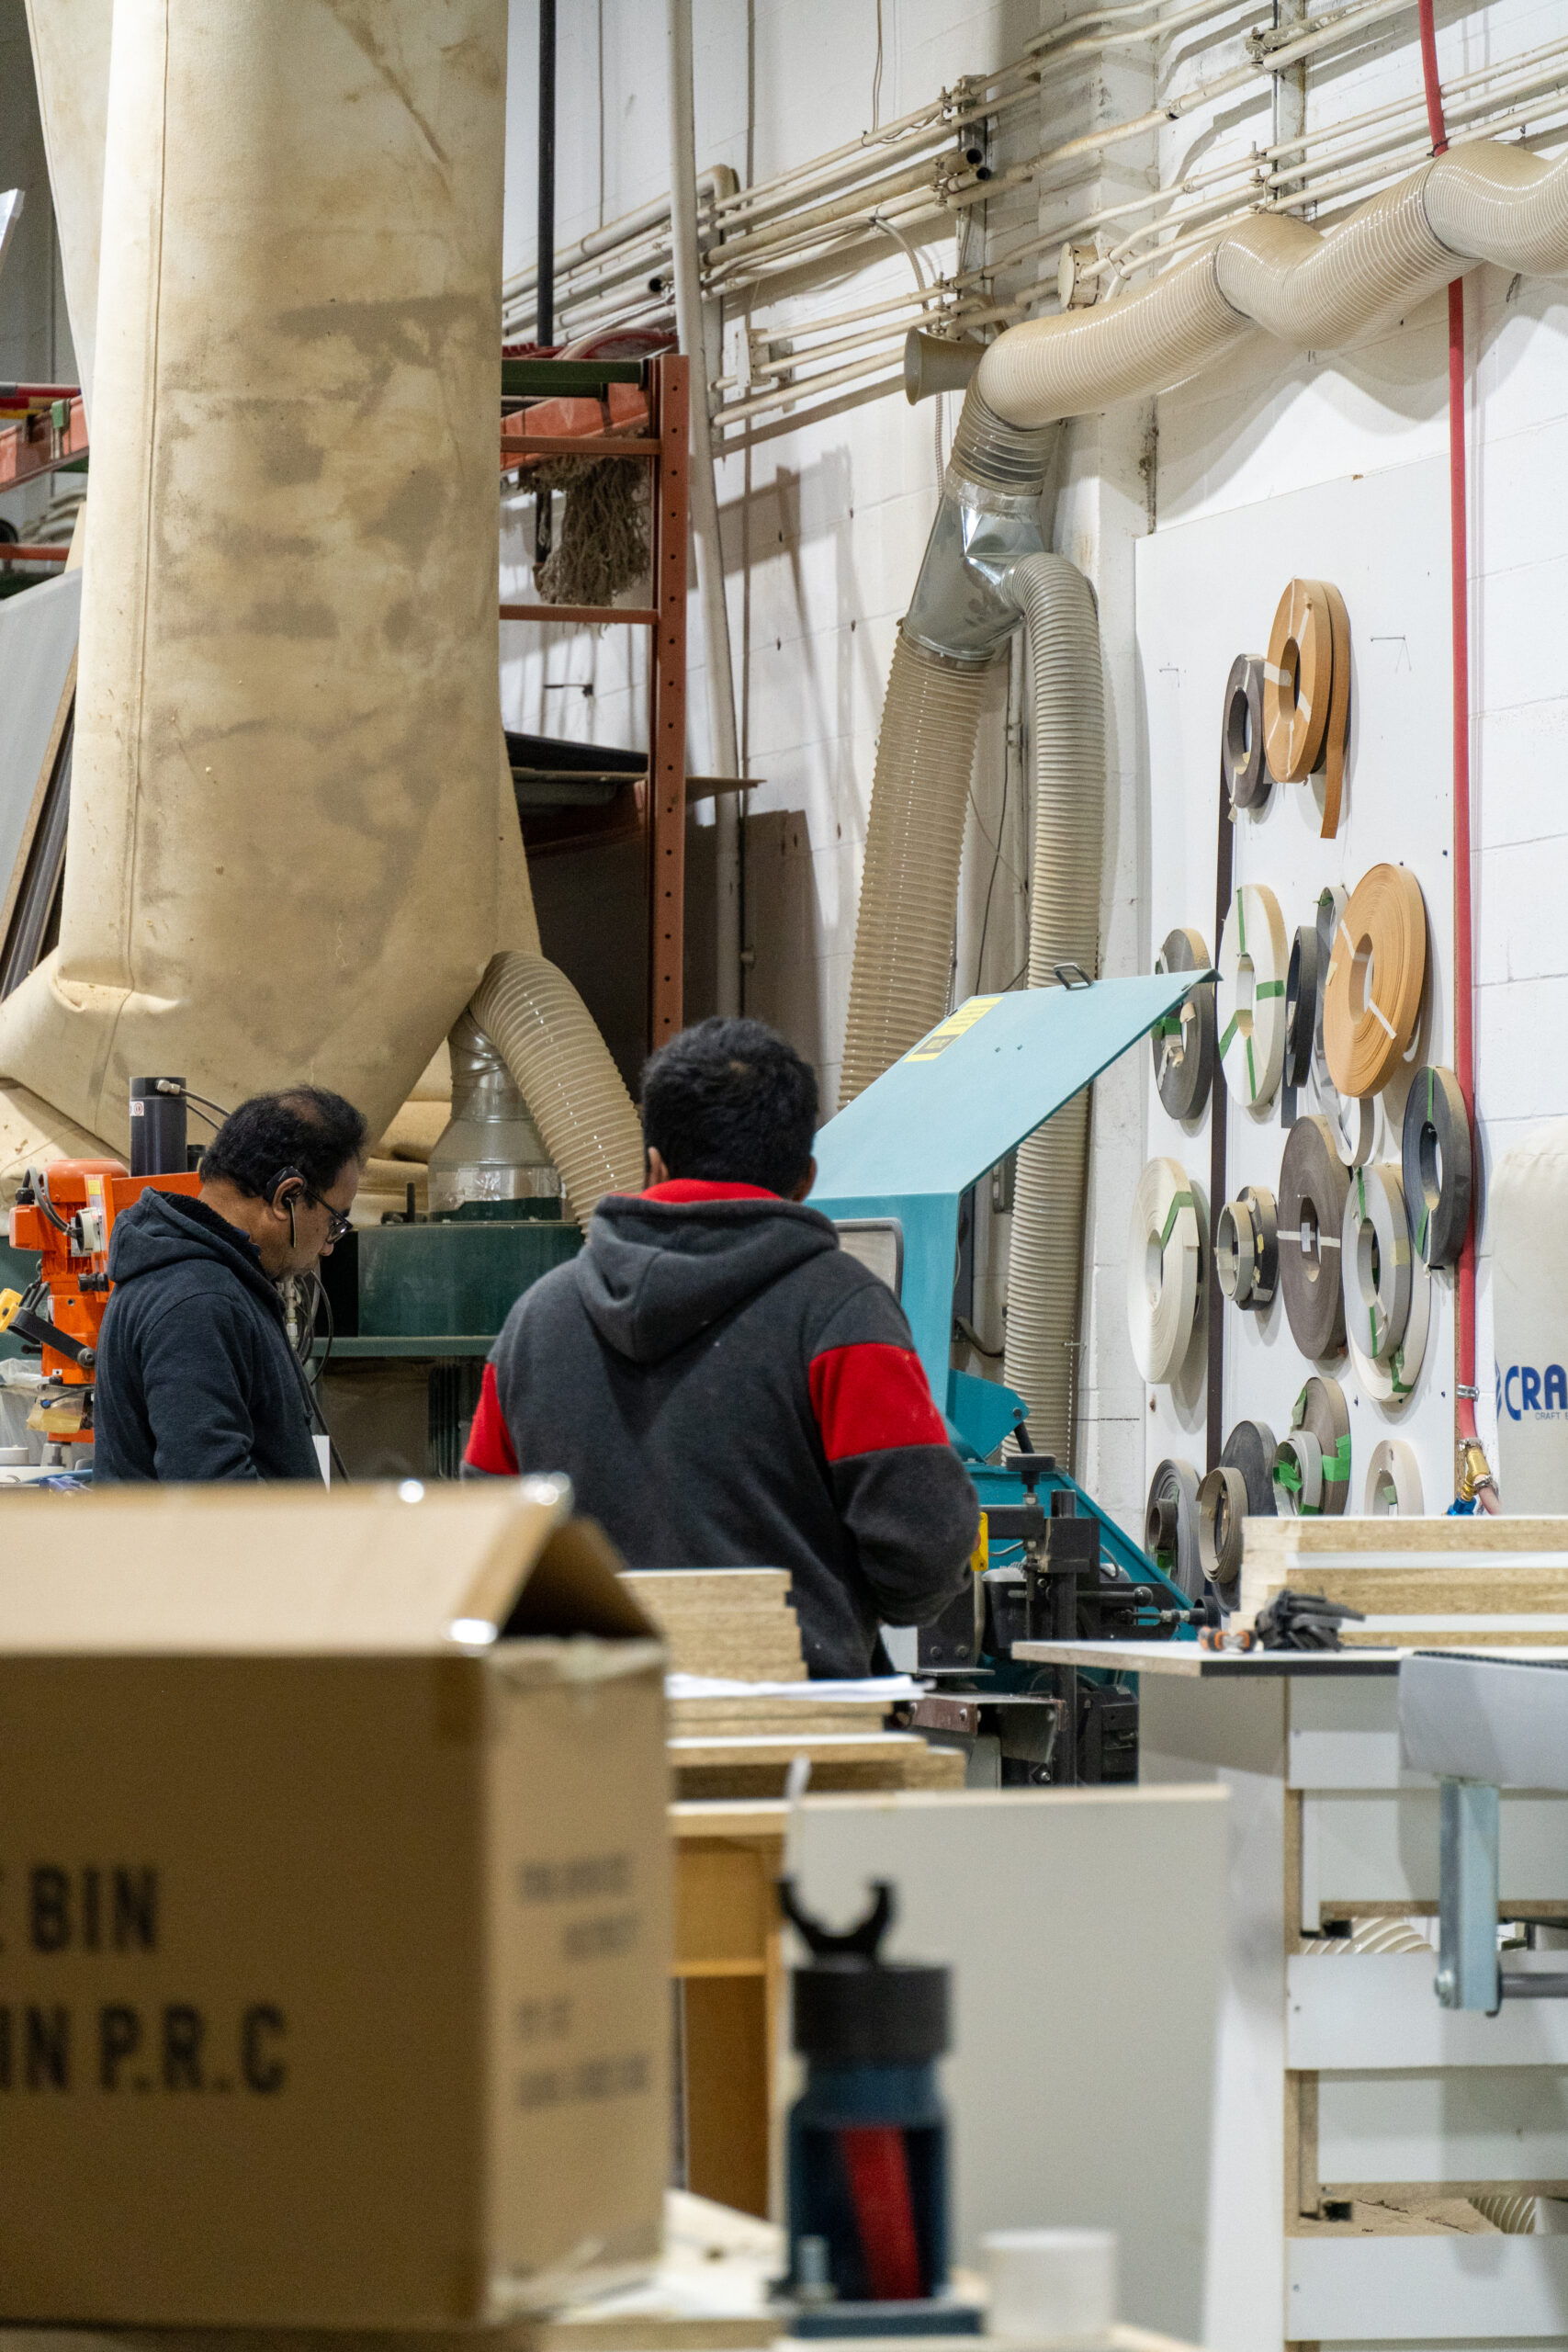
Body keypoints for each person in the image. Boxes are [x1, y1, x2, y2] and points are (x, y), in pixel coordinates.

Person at [464, 1017, 979, 1677]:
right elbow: (925, 1542)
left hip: (590, 1716)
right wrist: (833, 1609)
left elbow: (485, 1540)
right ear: (805, 1179)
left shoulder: (535, 1322)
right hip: (792, 1718)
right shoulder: (842, 1312)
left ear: (654, 1163)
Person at [95, 1086, 367, 1482]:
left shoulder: (209, 1282)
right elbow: (213, 1493)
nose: (328, 1246)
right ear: (286, 1196)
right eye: (333, 1221)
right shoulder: (198, 1302)